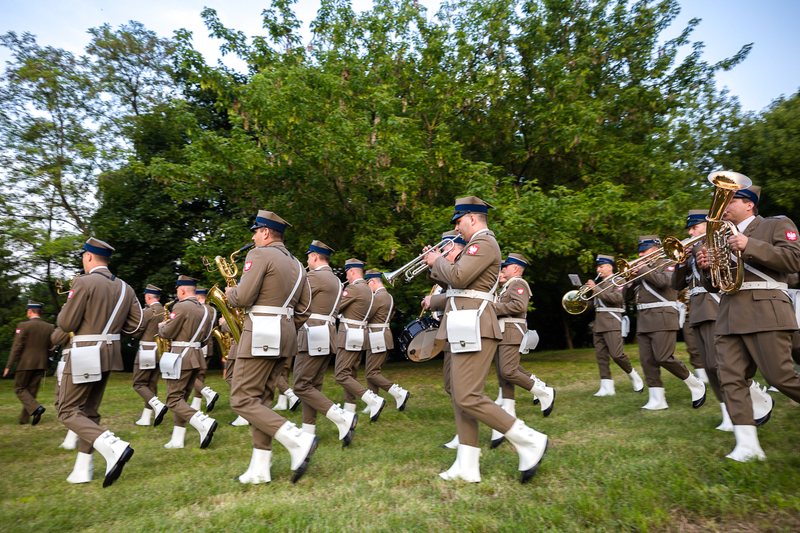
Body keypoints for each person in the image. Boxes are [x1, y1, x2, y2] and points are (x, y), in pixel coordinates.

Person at [423, 196, 549, 484]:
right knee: (460, 395)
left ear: (472, 218)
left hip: (475, 324)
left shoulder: (484, 243)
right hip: (463, 323)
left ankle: (530, 440)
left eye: (458, 222)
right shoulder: (474, 246)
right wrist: (437, 263)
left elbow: (458, 277)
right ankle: (467, 464)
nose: (456, 229)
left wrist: (437, 260)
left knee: (468, 395)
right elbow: (456, 286)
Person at [695, 184, 800, 461]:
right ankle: (747, 445)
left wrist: (749, 245)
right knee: (730, 378)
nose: (723, 207)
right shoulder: (718, 236)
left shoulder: (775, 225)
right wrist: (706, 269)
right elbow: (714, 285)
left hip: (765, 309)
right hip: (729, 313)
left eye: (730, 200)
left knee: (780, 377)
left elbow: (793, 260)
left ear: (749, 204)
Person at [226, 210, 317, 484]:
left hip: (259, 334)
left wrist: (230, 293)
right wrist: (284, 324)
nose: (253, 237)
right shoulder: (298, 264)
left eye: (256, 231)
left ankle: (297, 438)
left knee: (241, 399)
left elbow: (242, 297)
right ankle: (260, 468)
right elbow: (305, 309)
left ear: (266, 232)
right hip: (286, 336)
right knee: (262, 399)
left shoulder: (259, 255)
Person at [672, 210, 773, 432]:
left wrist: (695, 249)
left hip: (714, 306)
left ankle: (756, 396)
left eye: (695, 228)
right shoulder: (691, 252)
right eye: (689, 229)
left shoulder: (717, 243)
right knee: (709, 366)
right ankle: (727, 411)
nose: (690, 233)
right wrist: (681, 261)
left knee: (720, 364)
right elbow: (676, 285)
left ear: (707, 226)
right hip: (696, 310)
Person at [57, 238, 142, 487]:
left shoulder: (83, 282)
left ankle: (113, 445)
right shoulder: (126, 288)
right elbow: (136, 325)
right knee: (89, 411)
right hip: (109, 353)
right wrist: (111, 333)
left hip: (84, 352)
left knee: (67, 410)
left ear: (89, 256)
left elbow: (66, 324)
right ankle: (83, 468)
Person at [623, 235, 707, 410]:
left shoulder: (668, 263)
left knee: (664, 357)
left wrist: (643, 269)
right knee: (647, 360)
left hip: (663, 315)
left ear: (655, 249)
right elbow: (626, 297)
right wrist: (630, 280)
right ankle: (657, 398)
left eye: (644, 251)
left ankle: (695, 383)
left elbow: (664, 282)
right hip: (644, 318)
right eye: (639, 252)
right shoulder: (642, 269)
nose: (640, 255)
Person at [291, 240, 357, 445]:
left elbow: (295, 301)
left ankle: (342, 418)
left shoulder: (314, 277)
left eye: (308, 257)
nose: (307, 261)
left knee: (301, 386)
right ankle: (308, 431)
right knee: (313, 386)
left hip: (311, 333)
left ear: (314, 256)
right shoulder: (336, 280)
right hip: (327, 333)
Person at [489, 253, 556, 449]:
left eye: (506, 266)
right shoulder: (507, 286)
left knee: (508, 371)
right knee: (504, 376)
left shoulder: (519, 284)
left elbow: (519, 305)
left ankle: (544, 392)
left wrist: (493, 308)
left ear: (516, 268)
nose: (503, 269)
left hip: (512, 332)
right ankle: (509, 416)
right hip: (503, 333)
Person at [157, 276, 218, 450]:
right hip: (196, 356)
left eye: (177, 290)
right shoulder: (205, 310)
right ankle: (178, 439)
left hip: (180, 357)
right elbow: (206, 338)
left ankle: (203, 422)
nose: (177, 293)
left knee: (173, 400)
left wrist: (162, 326)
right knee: (182, 398)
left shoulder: (181, 306)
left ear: (182, 290)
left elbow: (167, 332)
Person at [334, 259, 386, 420]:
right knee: (350, 373)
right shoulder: (369, 290)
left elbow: (336, 307)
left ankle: (373, 400)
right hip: (360, 334)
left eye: (347, 272)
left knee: (341, 375)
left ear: (352, 271)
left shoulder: (353, 288)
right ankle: (350, 407)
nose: (346, 276)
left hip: (349, 334)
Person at [586, 255, 644, 397]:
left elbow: (616, 299)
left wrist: (595, 289)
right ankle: (606, 387)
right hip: (599, 324)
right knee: (601, 357)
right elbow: (596, 305)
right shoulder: (600, 284)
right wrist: (581, 302)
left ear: (610, 267)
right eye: (597, 267)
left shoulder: (618, 280)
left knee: (617, 355)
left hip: (612, 322)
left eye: (601, 266)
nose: (598, 269)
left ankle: (634, 376)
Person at [362, 269, 410, 411]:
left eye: (367, 284)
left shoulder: (378, 297)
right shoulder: (386, 295)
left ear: (372, 281)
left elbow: (365, 315)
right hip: (380, 335)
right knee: (372, 371)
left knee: (372, 373)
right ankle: (372, 402)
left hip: (377, 336)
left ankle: (399, 393)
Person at [4, 300, 55, 425]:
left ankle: (37, 408)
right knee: (31, 391)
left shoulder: (23, 325)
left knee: (19, 388)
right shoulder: (50, 327)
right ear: (40, 312)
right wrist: (48, 364)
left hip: (25, 363)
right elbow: (51, 348)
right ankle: (24, 419)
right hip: (41, 363)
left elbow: (17, 347)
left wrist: (9, 365)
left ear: (30, 311)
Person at [130, 285, 169, 426]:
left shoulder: (147, 312)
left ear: (147, 297)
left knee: (139, 383)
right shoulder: (165, 311)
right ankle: (146, 417)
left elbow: (136, 331)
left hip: (146, 350)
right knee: (151, 384)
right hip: (160, 351)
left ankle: (158, 405)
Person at [189, 287, 221, 413]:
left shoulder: (196, 309)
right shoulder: (212, 310)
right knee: (200, 375)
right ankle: (196, 402)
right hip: (208, 344)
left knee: (189, 375)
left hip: (195, 344)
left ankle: (208, 394)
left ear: (197, 297)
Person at [51, 326, 79, 449]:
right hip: (91, 355)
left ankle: (73, 436)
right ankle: (73, 436)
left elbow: (57, 338)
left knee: (64, 402)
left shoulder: (73, 317)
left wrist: (63, 321)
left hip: (70, 358)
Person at [219, 316, 249, 427]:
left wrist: (224, 323)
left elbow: (241, 326)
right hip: (241, 344)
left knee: (234, 378)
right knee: (234, 378)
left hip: (241, 344)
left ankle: (245, 412)